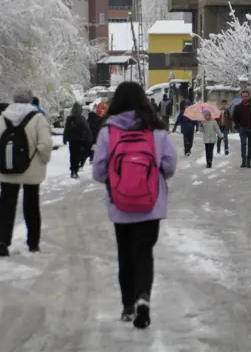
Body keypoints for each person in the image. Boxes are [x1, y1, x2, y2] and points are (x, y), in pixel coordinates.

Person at [92, 81, 177, 329]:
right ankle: (143, 298)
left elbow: (98, 172)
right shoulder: (157, 131)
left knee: (125, 255)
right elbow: (170, 166)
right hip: (150, 205)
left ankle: (127, 305)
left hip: (120, 205)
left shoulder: (108, 132)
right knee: (144, 253)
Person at [0, 89, 53, 257]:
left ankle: (2, 241)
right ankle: (33, 243)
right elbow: (45, 144)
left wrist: (0, 159)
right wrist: (43, 160)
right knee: (31, 206)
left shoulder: (2, 118)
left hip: (8, 169)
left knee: (6, 205)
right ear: (30, 100)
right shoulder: (38, 118)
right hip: (32, 169)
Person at [62, 103, 93, 179]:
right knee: (80, 154)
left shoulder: (69, 119)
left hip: (72, 141)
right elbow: (87, 129)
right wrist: (90, 139)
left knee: (73, 156)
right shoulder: (81, 118)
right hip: (80, 140)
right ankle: (76, 169)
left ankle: (73, 171)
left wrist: (65, 138)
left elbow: (66, 129)